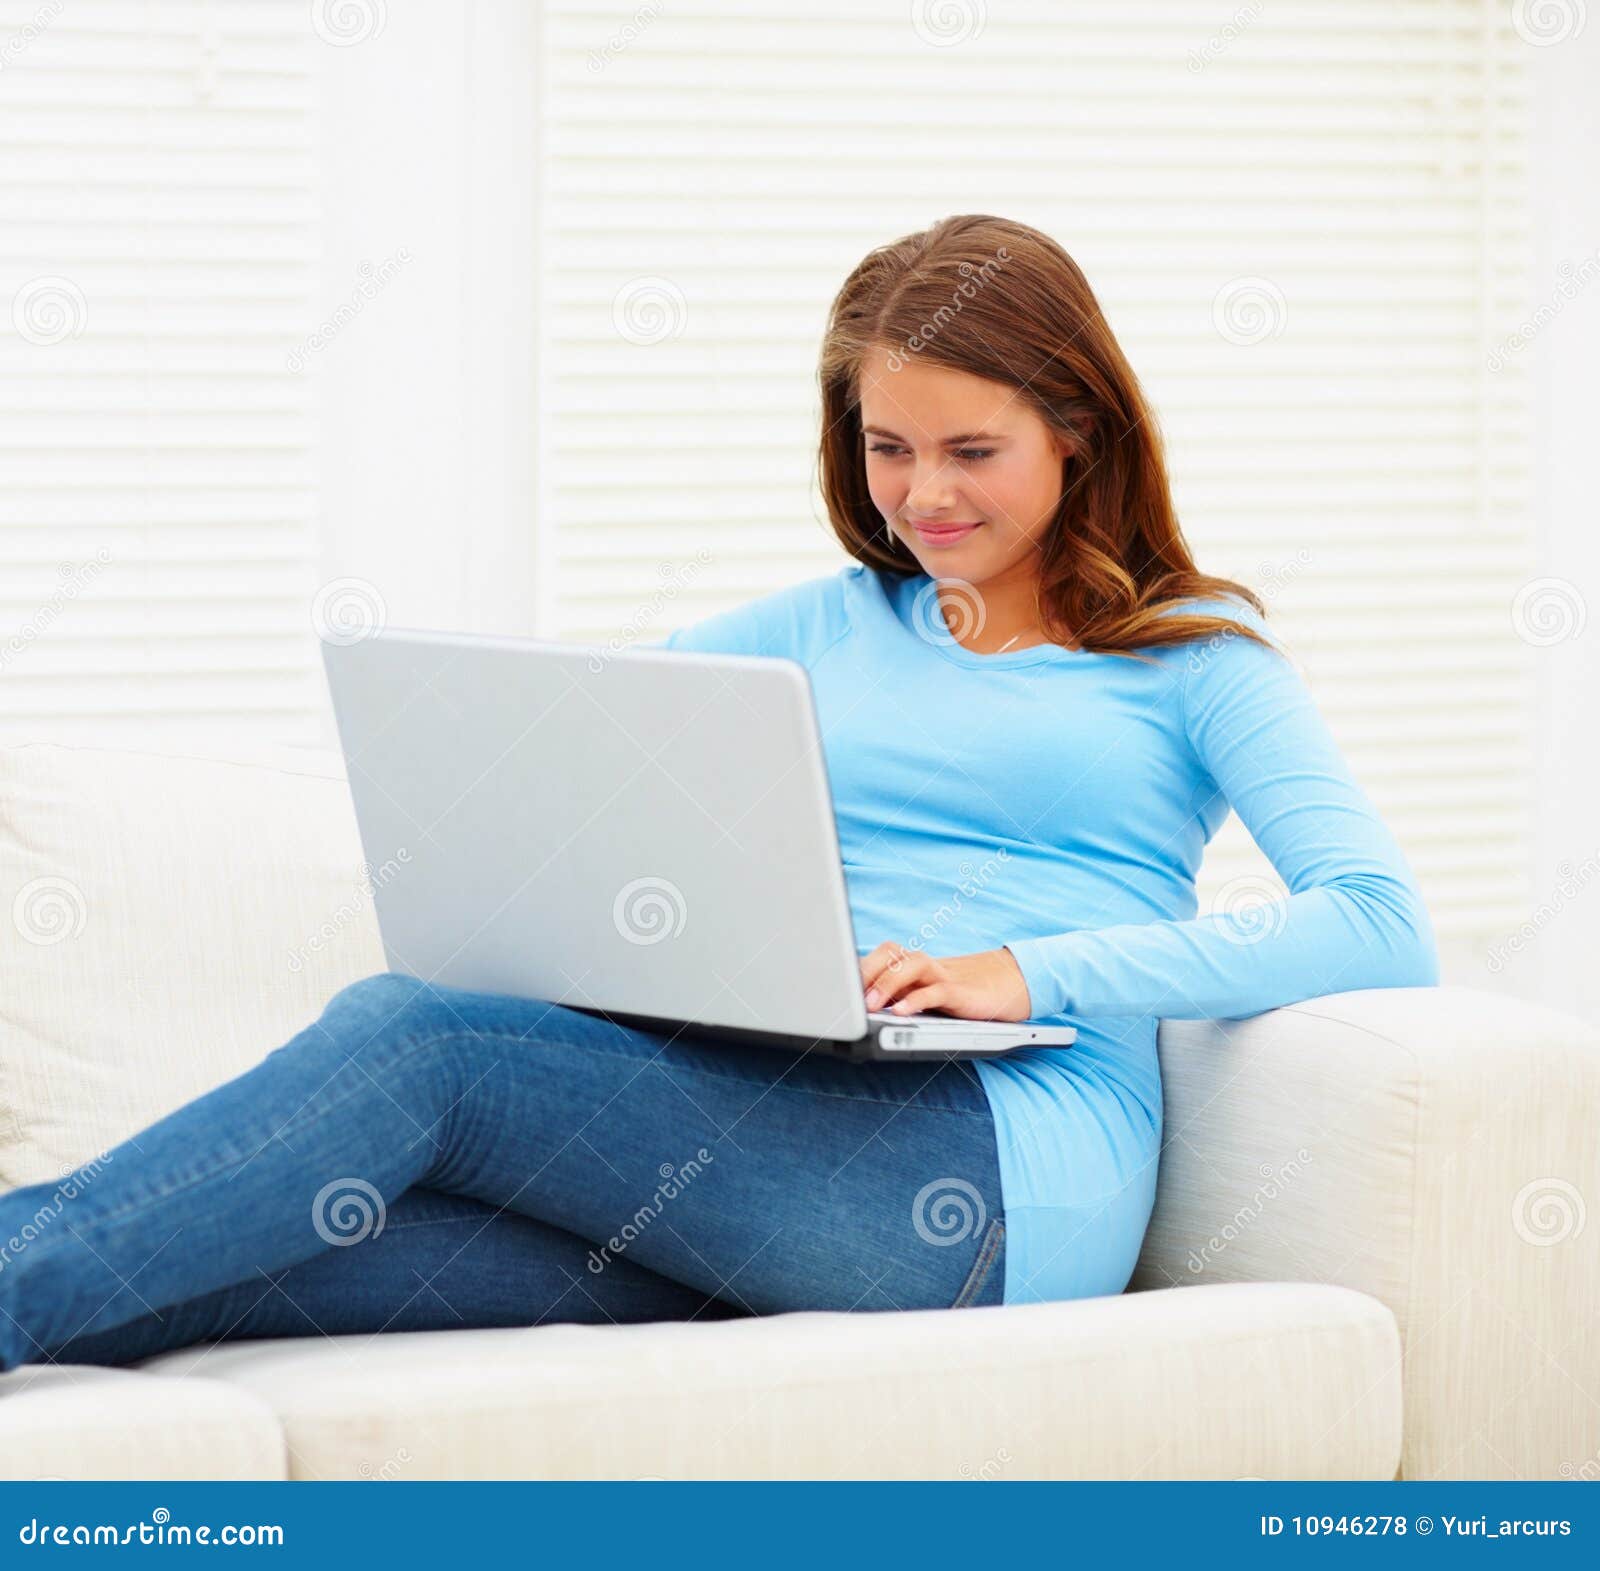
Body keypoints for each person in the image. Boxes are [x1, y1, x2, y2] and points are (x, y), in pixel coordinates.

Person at [0, 214, 1437, 1371]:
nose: (923, 495)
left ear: (1080, 432)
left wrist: (1025, 969)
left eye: (971, 452)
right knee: (268, 1250)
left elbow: (1377, 923)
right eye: (888, 448)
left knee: (415, 1045)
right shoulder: (816, 625)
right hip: (755, 1140)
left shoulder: (1196, 656)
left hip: (991, 1173)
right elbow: (585, 755)